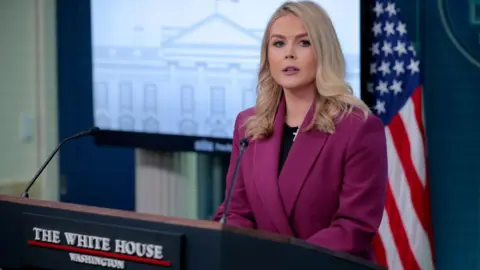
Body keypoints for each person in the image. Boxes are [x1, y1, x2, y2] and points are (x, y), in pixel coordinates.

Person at [213, 1, 388, 261]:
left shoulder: (358, 127)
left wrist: (285, 259)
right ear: (267, 55)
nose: (289, 54)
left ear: (323, 52)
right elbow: (236, 212)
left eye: (304, 43)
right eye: (279, 43)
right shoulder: (248, 124)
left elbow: (354, 228)